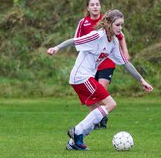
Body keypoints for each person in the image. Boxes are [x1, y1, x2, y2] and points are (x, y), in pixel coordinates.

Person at [47, 9, 153, 150]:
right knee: (110, 104)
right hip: (81, 77)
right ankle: (77, 131)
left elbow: (125, 63)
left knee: (95, 114)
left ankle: (74, 144)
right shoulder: (97, 36)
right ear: (109, 23)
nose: (120, 28)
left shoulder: (114, 42)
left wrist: (142, 80)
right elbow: (74, 41)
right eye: (117, 25)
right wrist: (56, 48)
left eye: (122, 25)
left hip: (84, 78)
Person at [74, 0, 130, 129]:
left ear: (100, 6)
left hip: (107, 61)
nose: (95, 7)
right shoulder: (84, 22)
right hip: (92, 63)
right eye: (92, 4)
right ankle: (96, 118)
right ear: (87, 7)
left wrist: (125, 52)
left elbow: (120, 37)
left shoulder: (110, 21)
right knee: (93, 93)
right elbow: (77, 40)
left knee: (101, 89)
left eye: (97, 4)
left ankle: (101, 117)